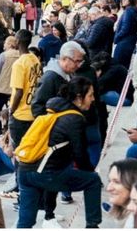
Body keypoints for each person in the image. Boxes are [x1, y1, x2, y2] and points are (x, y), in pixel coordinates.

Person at [16, 77, 102, 229]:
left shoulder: (53, 112)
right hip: (46, 174)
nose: (93, 99)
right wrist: (90, 171)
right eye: (90, 95)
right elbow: (80, 155)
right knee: (93, 180)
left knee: (25, 222)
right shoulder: (75, 119)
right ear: (79, 98)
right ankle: (92, 226)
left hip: (24, 171)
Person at [0, 36, 20, 135]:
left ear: (10, 44)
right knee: (12, 111)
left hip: (1, 88)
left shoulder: (3, 55)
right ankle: (10, 128)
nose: (4, 44)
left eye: (5, 42)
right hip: (14, 88)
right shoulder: (20, 55)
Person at [106, 159, 137, 225]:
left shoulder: (135, 222)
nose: (108, 188)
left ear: (134, 184)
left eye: (117, 182)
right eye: (109, 181)